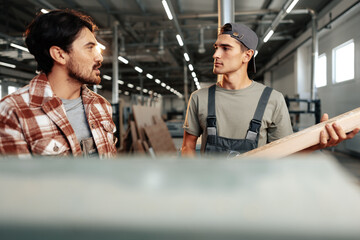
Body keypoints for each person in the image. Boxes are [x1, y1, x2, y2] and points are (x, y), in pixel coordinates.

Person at [181, 22, 359, 156]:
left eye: (225, 48)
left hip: (257, 195)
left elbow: (285, 154)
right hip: (212, 193)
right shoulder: (199, 98)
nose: (215, 54)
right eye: (216, 47)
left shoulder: (272, 100)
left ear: (247, 55)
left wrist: (317, 144)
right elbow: (187, 147)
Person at [0, 9, 117, 158]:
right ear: (60, 55)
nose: (99, 57)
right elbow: (16, 180)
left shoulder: (101, 105)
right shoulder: (13, 112)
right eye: (90, 48)